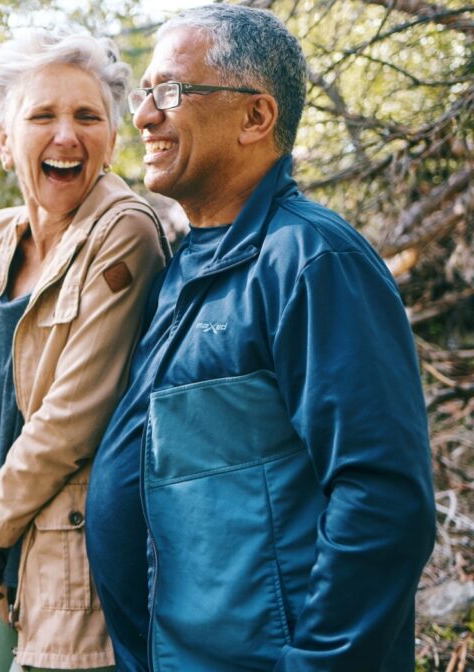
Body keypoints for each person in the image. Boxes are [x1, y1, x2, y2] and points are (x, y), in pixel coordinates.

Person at [85, 5, 437, 671]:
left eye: (172, 92)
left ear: (256, 118)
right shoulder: (185, 264)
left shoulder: (310, 261)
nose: (144, 117)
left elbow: (383, 498)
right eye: (144, 92)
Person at [0, 29, 168, 672]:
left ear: (113, 139)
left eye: (87, 116)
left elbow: (74, 418)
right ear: (3, 140)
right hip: (0, 553)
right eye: (42, 115)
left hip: (77, 571)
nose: (66, 136)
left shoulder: (125, 231)